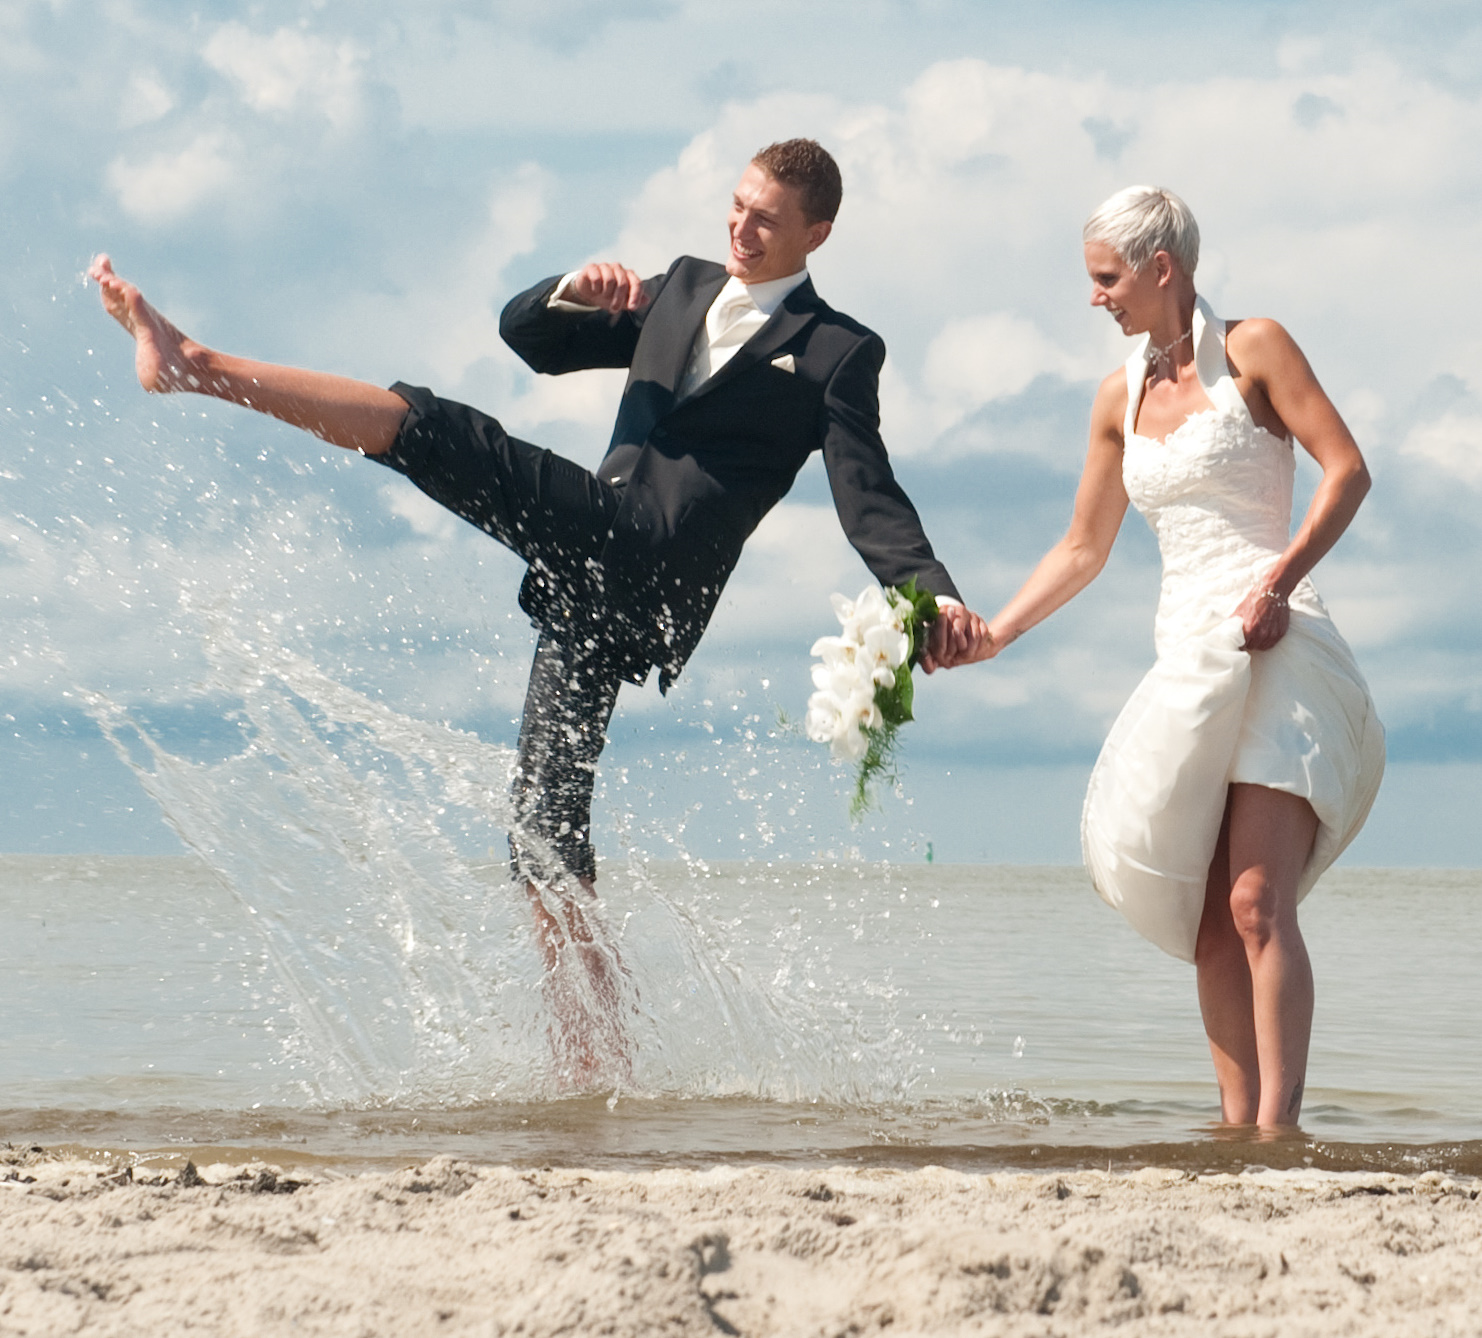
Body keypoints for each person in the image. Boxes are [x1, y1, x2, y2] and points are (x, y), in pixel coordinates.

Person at [89, 138, 983, 1083]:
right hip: (583, 577)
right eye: (736, 205)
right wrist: (570, 290)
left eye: (765, 218)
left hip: (649, 555)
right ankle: (596, 1065)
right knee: (544, 830)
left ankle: (195, 363)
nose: (741, 227)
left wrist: (933, 599)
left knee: (434, 428)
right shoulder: (678, 287)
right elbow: (531, 342)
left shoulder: (838, 351)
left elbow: (867, 493)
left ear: (817, 232)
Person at [964, 186, 1384, 1129]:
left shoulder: (1255, 348)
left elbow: (1347, 470)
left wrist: (1278, 581)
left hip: (1279, 641)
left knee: (1255, 901)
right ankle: (1234, 1131)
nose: (1095, 298)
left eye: (1106, 278)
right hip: (1188, 659)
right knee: (1206, 925)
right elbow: (1083, 546)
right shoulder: (1116, 397)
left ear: (1163, 270)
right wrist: (996, 633)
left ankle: (1280, 1131)